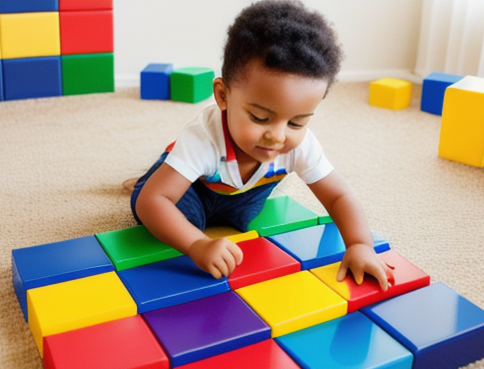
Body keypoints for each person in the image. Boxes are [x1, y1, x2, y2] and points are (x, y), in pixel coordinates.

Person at [128, 0, 393, 290]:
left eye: (296, 123)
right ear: (223, 96)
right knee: (164, 212)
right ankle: (154, 174)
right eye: (260, 117)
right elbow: (153, 202)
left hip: (244, 197)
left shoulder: (302, 146)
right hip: (197, 188)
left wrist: (359, 245)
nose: (278, 137)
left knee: (245, 220)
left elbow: (339, 196)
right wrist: (196, 245)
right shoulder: (203, 137)